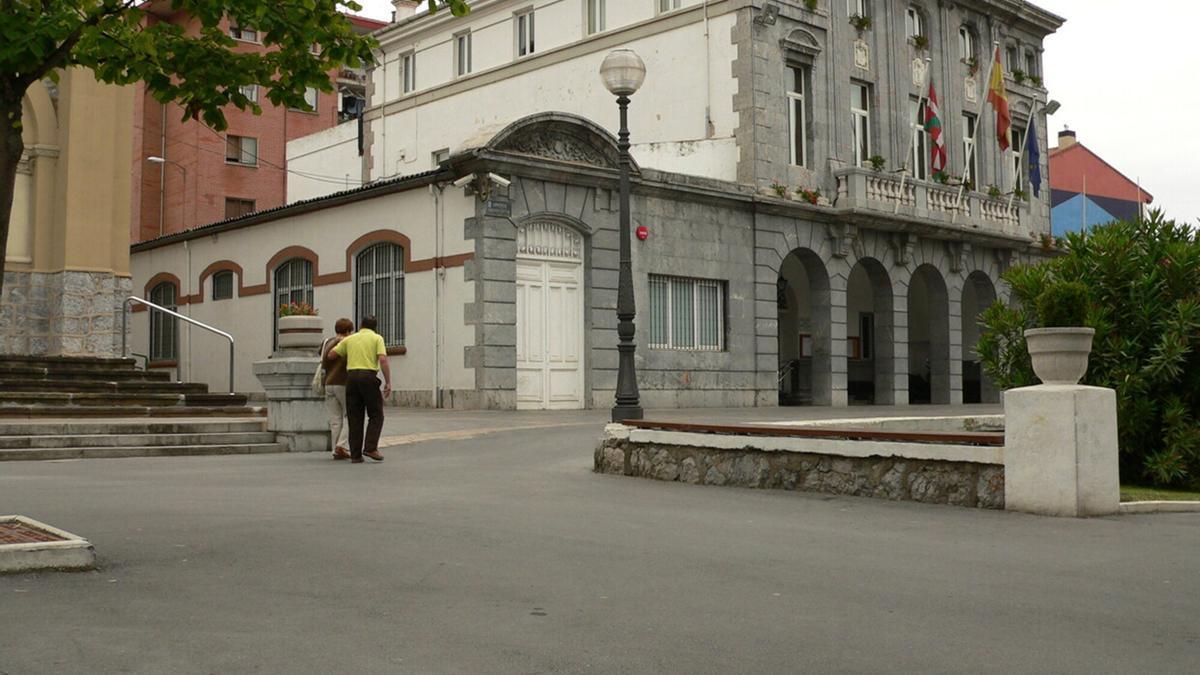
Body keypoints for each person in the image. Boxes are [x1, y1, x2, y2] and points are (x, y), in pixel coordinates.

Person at [327, 315, 391, 463]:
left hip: (351, 378)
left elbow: (331, 355)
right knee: (376, 413)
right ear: (375, 327)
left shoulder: (350, 339)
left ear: (361, 325)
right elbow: (382, 359)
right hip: (368, 376)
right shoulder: (377, 338)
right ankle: (370, 447)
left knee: (355, 416)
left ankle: (355, 454)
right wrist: (388, 382)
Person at [320, 318, 354, 460]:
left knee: (335, 419)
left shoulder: (326, 342)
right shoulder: (347, 342)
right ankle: (341, 445)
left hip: (328, 383)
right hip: (342, 382)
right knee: (351, 416)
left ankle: (335, 449)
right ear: (347, 331)